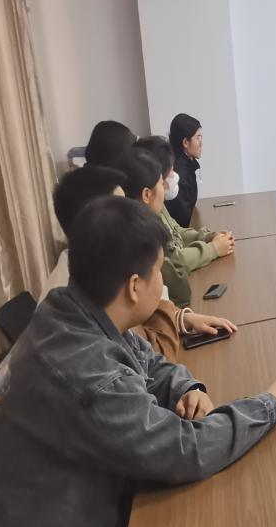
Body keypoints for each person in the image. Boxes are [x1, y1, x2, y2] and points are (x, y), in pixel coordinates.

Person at [0, 195, 276, 527]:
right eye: (159, 271)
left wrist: (188, 387)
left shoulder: (71, 308)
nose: (164, 282)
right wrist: (270, 406)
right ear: (135, 287)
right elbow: (188, 450)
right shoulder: (86, 373)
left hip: (46, 509)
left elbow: (144, 359)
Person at [44, 165, 236, 359]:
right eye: (121, 208)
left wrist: (182, 318)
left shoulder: (91, 266)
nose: (131, 213)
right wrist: (161, 294)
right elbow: (154, 355)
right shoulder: (91, 289)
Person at [114, 145, 233, 307]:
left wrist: (209, 237)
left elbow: (178, 232)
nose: (165, 187)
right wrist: (213, 249)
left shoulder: (153, 210)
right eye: (161, 183)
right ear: (147, 194)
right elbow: (176, 265)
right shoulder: (142, 233)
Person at [166, 112, 202, 227]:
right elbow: (183, 217)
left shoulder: (183, 164)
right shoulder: (180, 172)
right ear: (186, 142)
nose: (201, 144)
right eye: (198, 138)